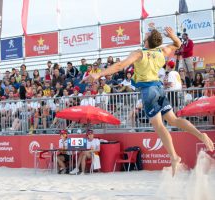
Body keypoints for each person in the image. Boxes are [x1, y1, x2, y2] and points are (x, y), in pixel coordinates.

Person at [89, 27, 214, 176]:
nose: (146, 33)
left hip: (149, 91)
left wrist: (99, 74)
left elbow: (119, 66)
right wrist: (173, 36)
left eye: (147, 33)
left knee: (160, 126)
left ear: (148, 40)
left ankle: (174, 156)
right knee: (173, 120)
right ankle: (200, 135)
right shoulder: (161, 51)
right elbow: (178, 44)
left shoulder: (139, 53)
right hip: (159, 88)